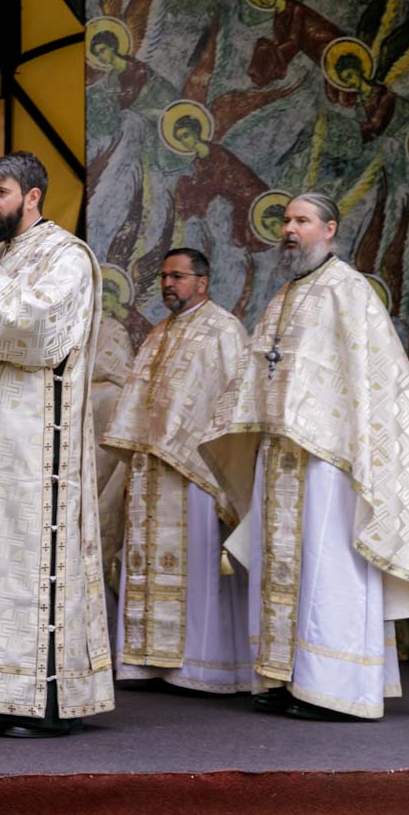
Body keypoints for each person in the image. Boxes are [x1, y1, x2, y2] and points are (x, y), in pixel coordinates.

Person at [200, 194, 409, 719]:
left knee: (330, 566)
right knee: (283, 565)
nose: (290, 229)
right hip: (281, 451)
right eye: (286, 220)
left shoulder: (349, 291)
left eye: (302, 221)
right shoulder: (284, 296)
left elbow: (375, 380)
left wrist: (352, 440)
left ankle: (337, 687)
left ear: (330, 229)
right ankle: (285, 677)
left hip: (332, 456)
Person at [0, 152, 113, 736]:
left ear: (33, 197)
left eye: (0, 191)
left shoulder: (68, 257)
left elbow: (36, 336)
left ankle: (34, 697)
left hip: (33, 447)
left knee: (19, 566)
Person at [101, 248, 252, 693]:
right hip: (152, 472)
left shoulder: (224, 330)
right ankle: (146, 661)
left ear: (202, 282)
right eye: (164, 277)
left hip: (196, 471)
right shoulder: (159, 332)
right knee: (147, 563)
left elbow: (233, 402)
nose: (168, 284)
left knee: (198, 564)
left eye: (178, 277)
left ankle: (199, 667)